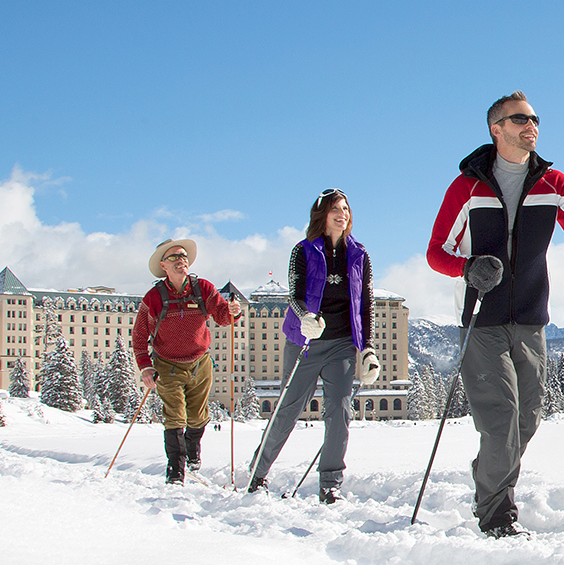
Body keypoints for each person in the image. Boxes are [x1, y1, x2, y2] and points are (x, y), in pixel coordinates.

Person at [427, 91, 564, 536]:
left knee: (527, 417)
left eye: (535, 119)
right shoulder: (466, 187)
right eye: (520, 119)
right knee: (501, 416)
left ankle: (490, 471)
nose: (532, 126)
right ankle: (497, 515)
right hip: (481, 319)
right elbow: (436, 252)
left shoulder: (553, 183)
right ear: (496, 128)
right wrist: (468, 268)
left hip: (530, 317)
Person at [246, 189, 381, 502]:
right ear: (322, 214)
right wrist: (305, 316)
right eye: (335, 208)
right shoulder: (303, 250)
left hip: (342, 345)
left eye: (346, 208)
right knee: (287, 410)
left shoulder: (360, 254)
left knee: (340, 410)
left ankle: (330, 483)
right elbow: (293, 293)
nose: (342, 214)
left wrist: (368, 349)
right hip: (305, 344)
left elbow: (366, 305)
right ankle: (258, 474)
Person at [131, 238, 242, 483]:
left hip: (200, 363)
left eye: (183, 256)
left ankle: (193, 452)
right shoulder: (153, 298)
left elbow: (223, 317)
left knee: (198, 416)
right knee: (175, 416)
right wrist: (145, 368)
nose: (181, 260)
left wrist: (233, 311)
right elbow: (139, 336)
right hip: (167, 365)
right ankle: (175, 469)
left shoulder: (202, 288)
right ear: (163, 265)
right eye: (174, 257)